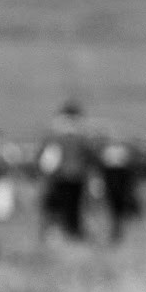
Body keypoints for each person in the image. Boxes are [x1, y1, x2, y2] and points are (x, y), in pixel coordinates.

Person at [38, 100, 97, 240]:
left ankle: (68, 233)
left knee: (67, 208)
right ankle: (69, 233)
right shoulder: (78, 138)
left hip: (65, 178)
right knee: (67, 208)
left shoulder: (56, 137)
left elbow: (43, 159)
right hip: (68, 178)